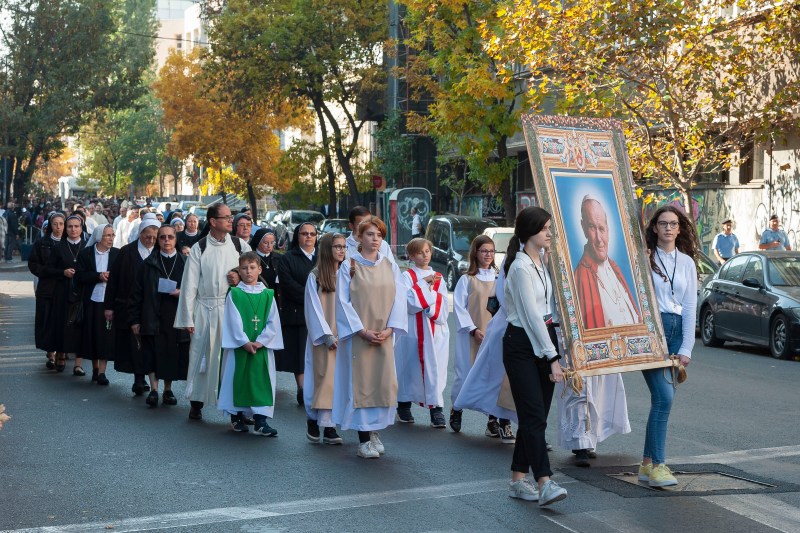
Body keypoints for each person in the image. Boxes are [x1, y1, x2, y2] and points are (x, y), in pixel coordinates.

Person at [502, 206, 567, 506]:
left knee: (535, 416)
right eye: (545, 229)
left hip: (544, 339)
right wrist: (552, 358)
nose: (550, 234)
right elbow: (530, 317)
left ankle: (518, 478)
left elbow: (548, 311)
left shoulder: (541, 262)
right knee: (532, 416)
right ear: (530, 232)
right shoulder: (519, 268)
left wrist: (556, 348)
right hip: (522, 344)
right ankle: (545, 481)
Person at [334, 216, 407, 459]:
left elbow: (399, 298)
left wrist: (390, 329)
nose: (375, 239)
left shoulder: (390, 265)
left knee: (382, 383)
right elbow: (342, 302)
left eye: (379, 235)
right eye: (370, 234)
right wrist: (361, 330)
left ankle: (374, 431)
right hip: (360, 335)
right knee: (361, 382)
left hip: (384, 335)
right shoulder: (349, 266)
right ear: (360, 237)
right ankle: (363, 438)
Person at [638, 206, 697, 487]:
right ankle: (660, 465)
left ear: (680, 228)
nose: (669, 228)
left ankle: (647, 465)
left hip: (676, 331)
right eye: (663, 223)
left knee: (660, 401)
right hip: (652, 331)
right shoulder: (644, 258)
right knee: (664, 399)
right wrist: (643, 260)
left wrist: (687, 347)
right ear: (654, 228)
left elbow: (689, 307)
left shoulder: (686, 262)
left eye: (674, 224)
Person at [175, 203, 251, 421]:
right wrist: (187, 317)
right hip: (205, 309)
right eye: (226, 217)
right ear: (213, 221)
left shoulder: (239, 245)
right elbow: (189, 284)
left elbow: (254, 270)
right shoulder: (200, 248)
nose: (230, 220)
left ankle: (236, 408)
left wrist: (238, 274)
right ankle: (196, 401)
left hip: (231, 310)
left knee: (231, 359)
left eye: (231, 216)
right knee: (202, 356)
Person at [451, 236, 515, 441]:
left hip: (494, 335)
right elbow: (459, 308)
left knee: (494, 377)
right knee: (465, 374)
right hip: (472, 335)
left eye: (491, 251)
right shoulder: (467, 279)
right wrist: (473, 329)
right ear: (475, 253)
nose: (488, 255)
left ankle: (493, 420)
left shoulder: (499, 278)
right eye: (484, 251)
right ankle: (457, 408)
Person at [218, 252, 283, 436]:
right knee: (236, 378)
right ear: (239, 270)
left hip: (261, 348)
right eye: (244, 268)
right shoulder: (235, 293)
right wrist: (245, 342)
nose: (248, 272)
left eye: (252, 268)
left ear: (259, 269)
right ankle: (236, 416)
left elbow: (273, 322)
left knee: (261, 381)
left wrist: (261, 342)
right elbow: (232, 320)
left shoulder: (268, 294)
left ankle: (261, 421)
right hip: (240, 346)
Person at [129, 225, 189, 407]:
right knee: (152, 353)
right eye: (162, 237)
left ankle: (167, 390)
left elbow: (195, 290)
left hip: (175, 315)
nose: (166, 241)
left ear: (176, 239)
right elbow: (136, 293)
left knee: (170, 354)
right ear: (158, 240)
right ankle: (154, 390)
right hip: (152, 314)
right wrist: (134, 320)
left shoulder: (184, 263)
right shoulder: (148, 264)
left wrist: (182, 292)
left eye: (170, 237)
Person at [394, 237, 449, 427]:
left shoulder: (439, 277)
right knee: (408, 368)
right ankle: (403, 406)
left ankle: (436, 410)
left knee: (435, 370)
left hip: (434, 331)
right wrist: (425, 286)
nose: (424, 255)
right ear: (411, 256)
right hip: (412, 330)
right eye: (419, 252)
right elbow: (408, 302)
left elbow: (443, 304)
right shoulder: (406, 276)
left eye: (427, 251)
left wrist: (428, 303)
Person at [105, 214, 160, 395]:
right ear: (140, 234)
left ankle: (152, 380)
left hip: (154, 308)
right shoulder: (126, 252)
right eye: (147, 236)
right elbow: (113, 280)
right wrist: (109, 306)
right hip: (129, 305)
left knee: (151, 343)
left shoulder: (160, 253)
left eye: (154, 237)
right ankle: (138, 378)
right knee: (134, 344)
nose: (150, 240)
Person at [303, 233, 346, 444]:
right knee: (322, 378)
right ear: (327, 249)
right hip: (323, 337)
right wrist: (326, 335)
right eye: (337, 247)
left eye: (344, 247)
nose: (341, 251)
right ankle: (316, 419)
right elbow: (313, 308)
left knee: (337, 381)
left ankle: (330, 424)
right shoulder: (316, 276)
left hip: (344, 335)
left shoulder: (348, 275)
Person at [574, 195, 640, 328]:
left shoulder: (615, 268)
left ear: (608, 230)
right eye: (592, 227)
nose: (599, 239)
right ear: (583, 228)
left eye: (602, 229)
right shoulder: (582, 275)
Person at [275, 222, 318, 406]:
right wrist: (312, 297)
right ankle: (302, 388)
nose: (308, 237)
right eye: (304, 233)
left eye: (312, 234)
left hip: (323, 311)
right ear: (297, 236)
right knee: (300, 353)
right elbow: (287, 283)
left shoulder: (322, 256)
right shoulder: (288, 258)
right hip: (298, 311)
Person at [75, 225, 119, 385]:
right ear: (99, 236)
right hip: (91, 300)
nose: (111, 238)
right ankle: (94, 368)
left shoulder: (117, 254)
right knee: (93, 334)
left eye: (112, 235)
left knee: (106, 337)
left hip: (109, 301)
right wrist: (98, 276)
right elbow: (79, 276)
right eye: (107, 235)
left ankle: (102, 372)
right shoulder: (86, 254)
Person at [28, 212, 67, 369]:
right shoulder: (42, 243)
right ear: (50, 225)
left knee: (62, 321)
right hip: (47, 288)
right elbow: (33, 264)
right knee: (47, 320)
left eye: (61, 223)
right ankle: (50, 352)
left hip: (64, 288)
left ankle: (61, 353)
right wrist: (46, 272)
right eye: (55, 224)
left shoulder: (68, 243)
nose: (58, 227)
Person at [57, 215, 88, 374]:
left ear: (81, 229)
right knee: (64, 324)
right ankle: (60, 354)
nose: (73, 229)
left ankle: (78, 363)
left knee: (80, 326)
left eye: (76, 226)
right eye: (70, 226)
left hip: (83, 291)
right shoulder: (59, 246)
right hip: (63, 290)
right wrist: (63, 272)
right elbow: (50, 269)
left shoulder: (88, 246)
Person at [250, 228, 281, 293]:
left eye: (272, 242)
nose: (269, 246)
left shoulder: (279, 258)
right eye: (265, 243)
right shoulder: (250, 257)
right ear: (258, 241)